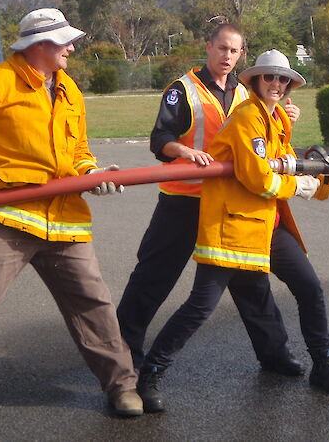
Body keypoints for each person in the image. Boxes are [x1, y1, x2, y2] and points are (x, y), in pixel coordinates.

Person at [136, 49, 329, 411]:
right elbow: (260, 178)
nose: (276, 84)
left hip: (265, 224)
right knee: (200, 307)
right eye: (270, 77)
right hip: (233, 226)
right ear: (256, 81)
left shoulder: (275, 118)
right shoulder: (248, 118)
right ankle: (150, 374)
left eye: (283, 79)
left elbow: (286, 166)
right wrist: (315, 187)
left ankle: (324, 365)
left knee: (309, 288)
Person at [0, 8, 143, 429]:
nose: (72, 48)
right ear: (39, 45)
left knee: (95, 304)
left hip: (65, 217)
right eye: (65, 41)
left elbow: (79, 151)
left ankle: (122, 386)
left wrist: (91, 172)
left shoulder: (68, 89)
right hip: (5, 217)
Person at [117, 25, 303, 413]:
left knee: (250, 279)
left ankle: (274, 354)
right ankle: (122, 360)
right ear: (209, 48)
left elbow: (264, 134)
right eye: (222, 48)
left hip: (228, 204)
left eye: (235, 51)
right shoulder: (182, 89)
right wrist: (182, 150)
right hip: (183, 201)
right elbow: (159, 139)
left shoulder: (245, 92)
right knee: (152, 280)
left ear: (241, 55)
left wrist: (286, 116)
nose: (228, 57)